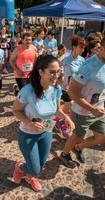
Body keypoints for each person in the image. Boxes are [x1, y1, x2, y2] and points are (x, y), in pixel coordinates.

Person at [12, 54, 75, 191]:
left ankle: (29, 177)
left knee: (39, 166)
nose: (56, 75)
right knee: (34, 169)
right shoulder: (27, 91)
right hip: (28, 135)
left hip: (46, 132)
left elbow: (57, 109)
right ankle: (19, 167)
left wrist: (66, 118)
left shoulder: (56, 89)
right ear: (41, 72)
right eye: (52, 72)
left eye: (58, 71)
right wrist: (30, 123)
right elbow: (15, 110)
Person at [60, 35, 105, 169]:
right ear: (101, 48)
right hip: (82, 112)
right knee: (77, 136)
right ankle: (65, 154)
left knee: (103, 137)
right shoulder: (88, 67)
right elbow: (72, 92)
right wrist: (92, 109)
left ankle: (78, 148)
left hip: (99, 108)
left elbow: (102, 83)